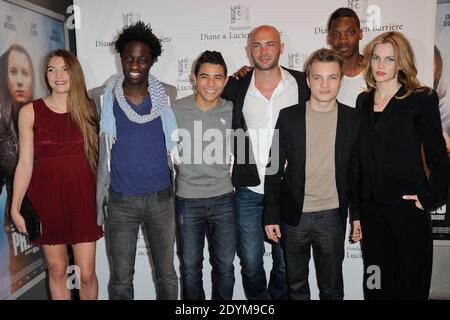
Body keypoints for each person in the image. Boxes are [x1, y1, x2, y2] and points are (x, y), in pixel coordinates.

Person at [351, 31, 449, 299]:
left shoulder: (421, 98)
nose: (381, 65)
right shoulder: (362, 101)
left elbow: (438, 156)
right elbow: (358, 160)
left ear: (401, 62)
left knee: (411, 282)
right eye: (376, 58)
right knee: (376, 282)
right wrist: (356, 212)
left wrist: (430, 198)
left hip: (408, 207)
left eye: (389, 59)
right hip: (371, 211)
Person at [90, 21, 178, 300]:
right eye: (129, 58)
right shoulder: (102, 98)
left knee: (166, 274)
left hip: (161, 200)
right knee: (120, 279)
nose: (135, 64)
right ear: (121, 58)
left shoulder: (169, 95)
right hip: (120, 202)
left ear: (152, 60)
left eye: (142, 59)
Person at [221, 25, 309, 300]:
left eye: (270, 44)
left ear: (281, 46)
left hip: (288, 189)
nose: (263, 51)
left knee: (286, 264)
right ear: (249, 49)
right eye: (257, 45)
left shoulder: (303, 83)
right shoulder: (236, 86)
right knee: (249, 263)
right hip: (249, 188)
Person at [263, 48, 358, 300]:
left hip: (332, 217)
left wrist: (357, 216)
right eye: (317, 77)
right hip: (294, 218)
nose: (324, 84)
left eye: (332, 77)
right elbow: (273, 168)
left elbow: (356, 172)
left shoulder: (353, 118)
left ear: (341, 79)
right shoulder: (288, 117)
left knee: (332, 289)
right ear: (307, 80)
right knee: (295, 288)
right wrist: (270, 215)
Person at [10, 49, 103, 300]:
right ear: (46, 75)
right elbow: (25, 164)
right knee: (57, 269)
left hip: (83, 197)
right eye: (51, 70)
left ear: (75, 73)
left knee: (86, 273)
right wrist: (15, 207)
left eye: (64, 69)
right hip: (46, 199)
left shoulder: (91, 109)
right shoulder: (30, 112)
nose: (58, 75)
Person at [172, 50, 236, 300]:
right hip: (187, 199)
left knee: (225, 268)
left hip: (224, 198)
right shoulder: (176, 110)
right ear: (194, 78)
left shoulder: (233, 110)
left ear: (226, 80)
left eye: (218, 78)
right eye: (205, 77)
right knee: (190, 269)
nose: (211, 84)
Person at [0, 44, 34, 229]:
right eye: (13, 72)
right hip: (17, 220)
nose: (20, 80)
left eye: (25, 73)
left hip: (52, 207)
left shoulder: (42, 115)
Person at [327, 7, 366, 108]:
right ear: (329, 38)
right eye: (336, 35)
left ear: (360, 34)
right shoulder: (321, 78)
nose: (343, 40)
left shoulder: (376, 72)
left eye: (350, 33)